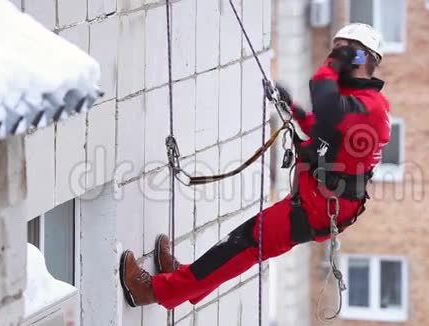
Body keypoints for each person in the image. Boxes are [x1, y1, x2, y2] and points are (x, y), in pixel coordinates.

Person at [119, 23, 391, 309]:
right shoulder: (358, 102)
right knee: (238, 245)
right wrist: (294, 110)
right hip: (317, 199)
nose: (333, 56)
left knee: (241, 245)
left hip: (320, 208)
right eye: (334, 49)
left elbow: (326, 104)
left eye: (343, 50)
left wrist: (337, 62)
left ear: (362, 59)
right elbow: (328, 130)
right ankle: (184, 284)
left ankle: (155, 292)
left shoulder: (371, 107)